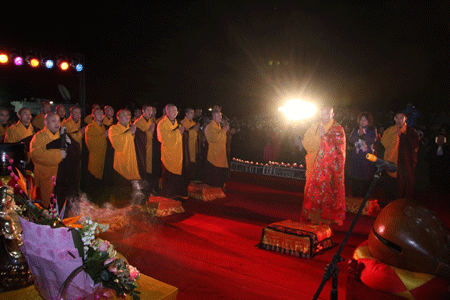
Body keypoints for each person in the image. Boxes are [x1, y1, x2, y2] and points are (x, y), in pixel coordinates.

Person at [301, 105, 346, 226]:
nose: (324, 116)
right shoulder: (315, 126)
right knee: (312, 192)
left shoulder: (338, 129)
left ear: (333, 114)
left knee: (327, 193)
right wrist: (318, 137)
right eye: (322, 113)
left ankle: (326, 221)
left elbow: (339, 150)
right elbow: (306, 143)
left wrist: (324, 137)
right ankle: (313, 218)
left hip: (329, 169)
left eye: (327, 113)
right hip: (314, 166)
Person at [29, 113, 68, 208]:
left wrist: (68, 144)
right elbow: (36, 155)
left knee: (58, 203)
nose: (57, 123)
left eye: (58, 121)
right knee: (43, 204)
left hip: (59, 174)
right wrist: (59, 155)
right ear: (46, 122)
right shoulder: (39, 136)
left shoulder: (61, 135)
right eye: (53, 121)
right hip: (44, 175)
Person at [381, 112, 420, 204]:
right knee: (391, 184)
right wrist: (396, 136)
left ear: (405, 119)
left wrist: (403, 136)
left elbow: (415, 144)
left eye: (401, 118)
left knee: (404, 184)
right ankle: (390, 204)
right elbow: (384, 142)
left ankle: (403, 204)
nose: (399, 120)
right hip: (391, 160)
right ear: (394, 119)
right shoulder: (389, 130)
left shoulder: (411, 131)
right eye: (397, 118)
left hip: (405, 163)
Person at [108, 109, 141, 202]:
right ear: (118, 117)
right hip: (121, 163)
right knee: (121, 190)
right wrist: (129, 133)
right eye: (124, 115)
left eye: (129, 115)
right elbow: (117, 144)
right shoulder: (113, 128)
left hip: (131, 160)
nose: (128, 117)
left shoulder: (129, 128)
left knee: (130, 189)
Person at [157, 103, 187, 199]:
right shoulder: (162, 124)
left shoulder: (177, 123)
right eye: (172, 111)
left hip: (177, 154)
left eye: (176, 111)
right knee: (169, 175)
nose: (174, 113)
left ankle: (177, 194)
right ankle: (168, 195)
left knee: (177, 176)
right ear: (167, 112)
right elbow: (165, 139)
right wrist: (178, 132)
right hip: (168, 154)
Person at [348, 112, 377, 197]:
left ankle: (364, 200)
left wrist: (363, 135)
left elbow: (373, 140)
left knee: (366, 180)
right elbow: (351, 140)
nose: (362, 121)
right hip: (356, 158)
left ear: (369, 121)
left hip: (367, 159)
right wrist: (358, 134)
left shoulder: (372, 129)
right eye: (361, 119)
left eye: (365, 120)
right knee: (356, 181)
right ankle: (355, 199)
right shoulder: (356, 128)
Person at [134, 105, 157, 192]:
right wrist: (150, 131)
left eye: (151, 110)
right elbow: (139, 136)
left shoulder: (152, 121)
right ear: (143, 111)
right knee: (143, 167)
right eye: (147, 110)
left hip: (151, 148)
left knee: (151, 168)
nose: (149, 112)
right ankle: (142, 189)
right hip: (142, 150)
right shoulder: (138, 122)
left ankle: (151, 188)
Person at [203, 110, 229, 189]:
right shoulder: (210, 127)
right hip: (214, 155)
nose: (220, 118)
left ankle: (219, 188)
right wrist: (223, 131)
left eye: (221, 116)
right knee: (214, 173)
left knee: (220, 173)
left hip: (221, 153)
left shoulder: (218, 126)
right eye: (218, 116)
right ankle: (213, 190)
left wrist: (223, 130)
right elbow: (214, 138)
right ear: (214, 117)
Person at [85, 108, 108, 195]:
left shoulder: (103, 127)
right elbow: (91, 143)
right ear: (93, 116)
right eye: (98, 113)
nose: (101, 114)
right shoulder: (90, 127)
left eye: (102, 113)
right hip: (95, 157)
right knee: (93, 183)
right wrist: (103, 136)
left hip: (103, 157)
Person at [180, 108, 199, 182]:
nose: (193, 114)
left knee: (192, 163)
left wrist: (196, 131)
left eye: (193, 113)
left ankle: (191, 179)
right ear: (186, 114)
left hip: (193, 146)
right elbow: (183, 134)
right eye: (191, 112)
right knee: (186, 162)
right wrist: (193, 130)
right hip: (186, 147)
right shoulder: (182, 123)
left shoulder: (194, 123)